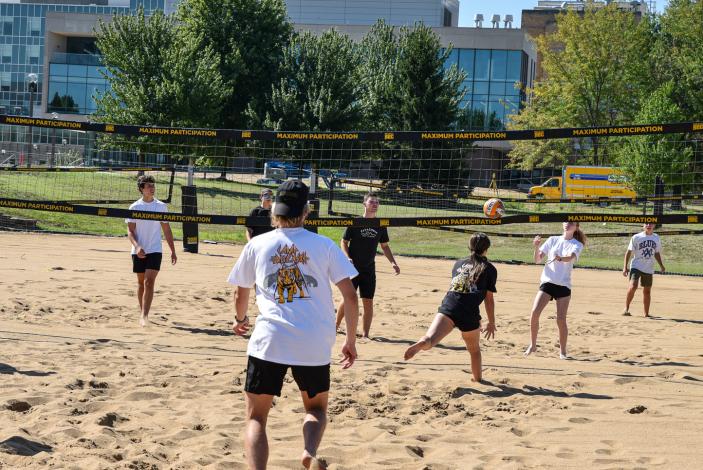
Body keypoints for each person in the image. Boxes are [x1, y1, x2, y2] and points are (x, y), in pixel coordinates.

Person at [228, 180, 360, 470]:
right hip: (314, 340)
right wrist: (350, 340)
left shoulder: (257, 244)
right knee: (315, 409)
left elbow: (240, 292)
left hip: (270, 339)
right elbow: (350, 295)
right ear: (306, 211)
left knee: (255, 419)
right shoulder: (324, 245)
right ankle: (309, 452)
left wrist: (240, 320)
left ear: (275, 210)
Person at [404, 233, 497, 382]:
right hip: (468, 312)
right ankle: (478, 379)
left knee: (430, 339)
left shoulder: (458, 263)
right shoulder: (489, 268)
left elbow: (461, 288)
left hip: (450, 305)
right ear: (486, 249)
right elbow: (489, 300)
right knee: (474, 351)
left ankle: (423, 343)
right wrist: (491, 322)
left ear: (470, 247)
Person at [335, 192, 400, 338]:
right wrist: (347, 257)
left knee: (368, 301)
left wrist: (393, 263)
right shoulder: (355, 222)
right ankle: (336, 326)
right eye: (372, 202)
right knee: (348, 298)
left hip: (369, 269)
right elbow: (343, 242)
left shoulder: (381, 224)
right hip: (352, 268)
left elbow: (384, 246)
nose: (375, 204)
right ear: (364, 204)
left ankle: (365, 335)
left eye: (377, 202)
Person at [524, 222, 586, 359]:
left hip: (563, 285)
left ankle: (563, 352)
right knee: (534, 313)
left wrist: (560, 258)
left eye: (571, 223)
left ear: (576, 226)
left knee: (561, 319)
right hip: (548, 282)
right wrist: (536, 246)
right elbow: (537, 260)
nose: (567, 225)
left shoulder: (577, 244)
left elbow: (570, 258)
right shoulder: (552, 240)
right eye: (566, 222)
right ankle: (533, 345)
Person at [126, 175, 177, 327]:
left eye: (153, 185)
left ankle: (144, 316)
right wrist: (137, 246)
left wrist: (173, 251)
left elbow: (167, 230)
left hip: (155, 249)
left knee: (149, 282)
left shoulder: (161, 206)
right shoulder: (134, 207)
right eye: (148, 186)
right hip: (138, 250)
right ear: (141, 189)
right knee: (141, 283)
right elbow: (130, 232)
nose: (152, 188)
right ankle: (143, 311)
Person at [622, 222, 665, 317]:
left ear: (654, 226)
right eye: (647, 224)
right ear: (643, 225)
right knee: (633, 286)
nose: (649, 225)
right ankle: (626, 308)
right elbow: (629, 252)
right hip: (636, 266)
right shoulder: (636, 237)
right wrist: (625, 267)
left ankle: (646, 313)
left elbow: (656, 252)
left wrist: (661, 265)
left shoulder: (656, 237)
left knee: (647, 291)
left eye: (651, 224)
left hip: (649, 267)